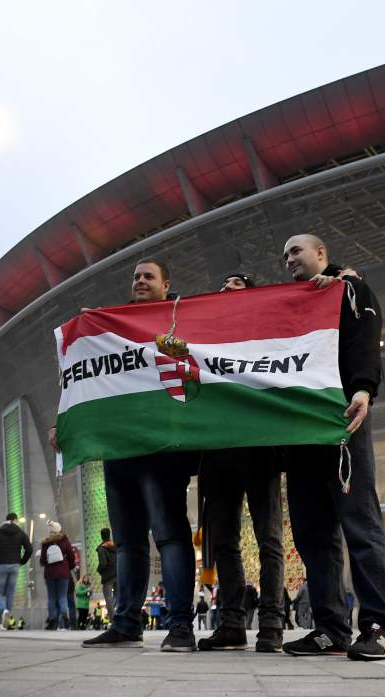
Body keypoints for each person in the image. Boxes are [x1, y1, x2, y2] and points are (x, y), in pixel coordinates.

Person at [279, 235, 385, 661]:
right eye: (285, 255)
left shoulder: (351, 290)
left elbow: (365, 340)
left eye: (297, 251)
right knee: (312, 534)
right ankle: (330, 629)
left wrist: (364, 389)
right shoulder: (291, 302)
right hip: (299, 434)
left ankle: (379, 628)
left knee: (360, 526)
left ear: (322, 254)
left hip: (342, 421)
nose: (289, 258)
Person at [68, 260, 197, 652]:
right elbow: (87, 376)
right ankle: (126, 624)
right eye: (136, 277)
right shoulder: (112, 327)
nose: (140, 281)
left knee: (170, 536)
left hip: (160, 449)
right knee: (127, 543)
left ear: (166, 284)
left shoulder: (179, 322)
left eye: (149, 276)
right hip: (119, 449)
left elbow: (190, 367)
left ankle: (179, 627)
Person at [194, 271, 288, 654]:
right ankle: (232, 623)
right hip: (216, 450)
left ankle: (271, 624)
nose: (226, 287)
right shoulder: (205, 333)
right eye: (223, 283)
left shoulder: (264, 332)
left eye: (236, 284)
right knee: (224, 543)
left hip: (258, 447)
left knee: (269, 539)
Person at [0, 512, 32, 629]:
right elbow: (29, 548)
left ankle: (4, 611)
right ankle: (6, 616)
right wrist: (22, 561)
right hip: (15, 565)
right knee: (10, 593)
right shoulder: (20, 532)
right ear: (15, 520)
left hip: (1, 564)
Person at [39, 520, 77, 630]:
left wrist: (47, 563)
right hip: (63, 573)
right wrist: (68, 566)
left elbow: (42, 560)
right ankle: (64, 620)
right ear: (59, 529)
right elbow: (72, 557)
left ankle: (52, 622)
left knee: (51, 598)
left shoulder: (46, 542)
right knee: (62, 597)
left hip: (50, 573)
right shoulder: (65, 541)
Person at [95, 528, 118, 618]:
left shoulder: (101, 548)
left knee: (108, 598)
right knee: (119, 597)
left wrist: (99, 570)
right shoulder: (116, 545)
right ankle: (121, 618)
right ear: (109, 535)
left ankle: (113, 619)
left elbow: (103, 563)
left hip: (108, 576)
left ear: (101, 536)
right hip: (118, 574)